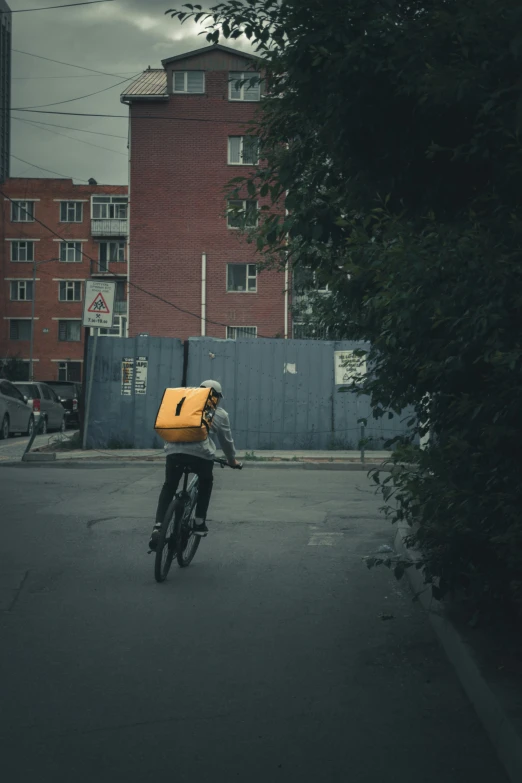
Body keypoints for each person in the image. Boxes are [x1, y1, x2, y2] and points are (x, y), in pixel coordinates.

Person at [149, 380, 239, 550]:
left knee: (169, 486)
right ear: (217, 397)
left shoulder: (182, 406)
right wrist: (232, 461)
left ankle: (158, 527)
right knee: (206, 482)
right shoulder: (219, 414)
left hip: (173, 453)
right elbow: (227, 443)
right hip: (200, 456)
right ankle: (199, 522)